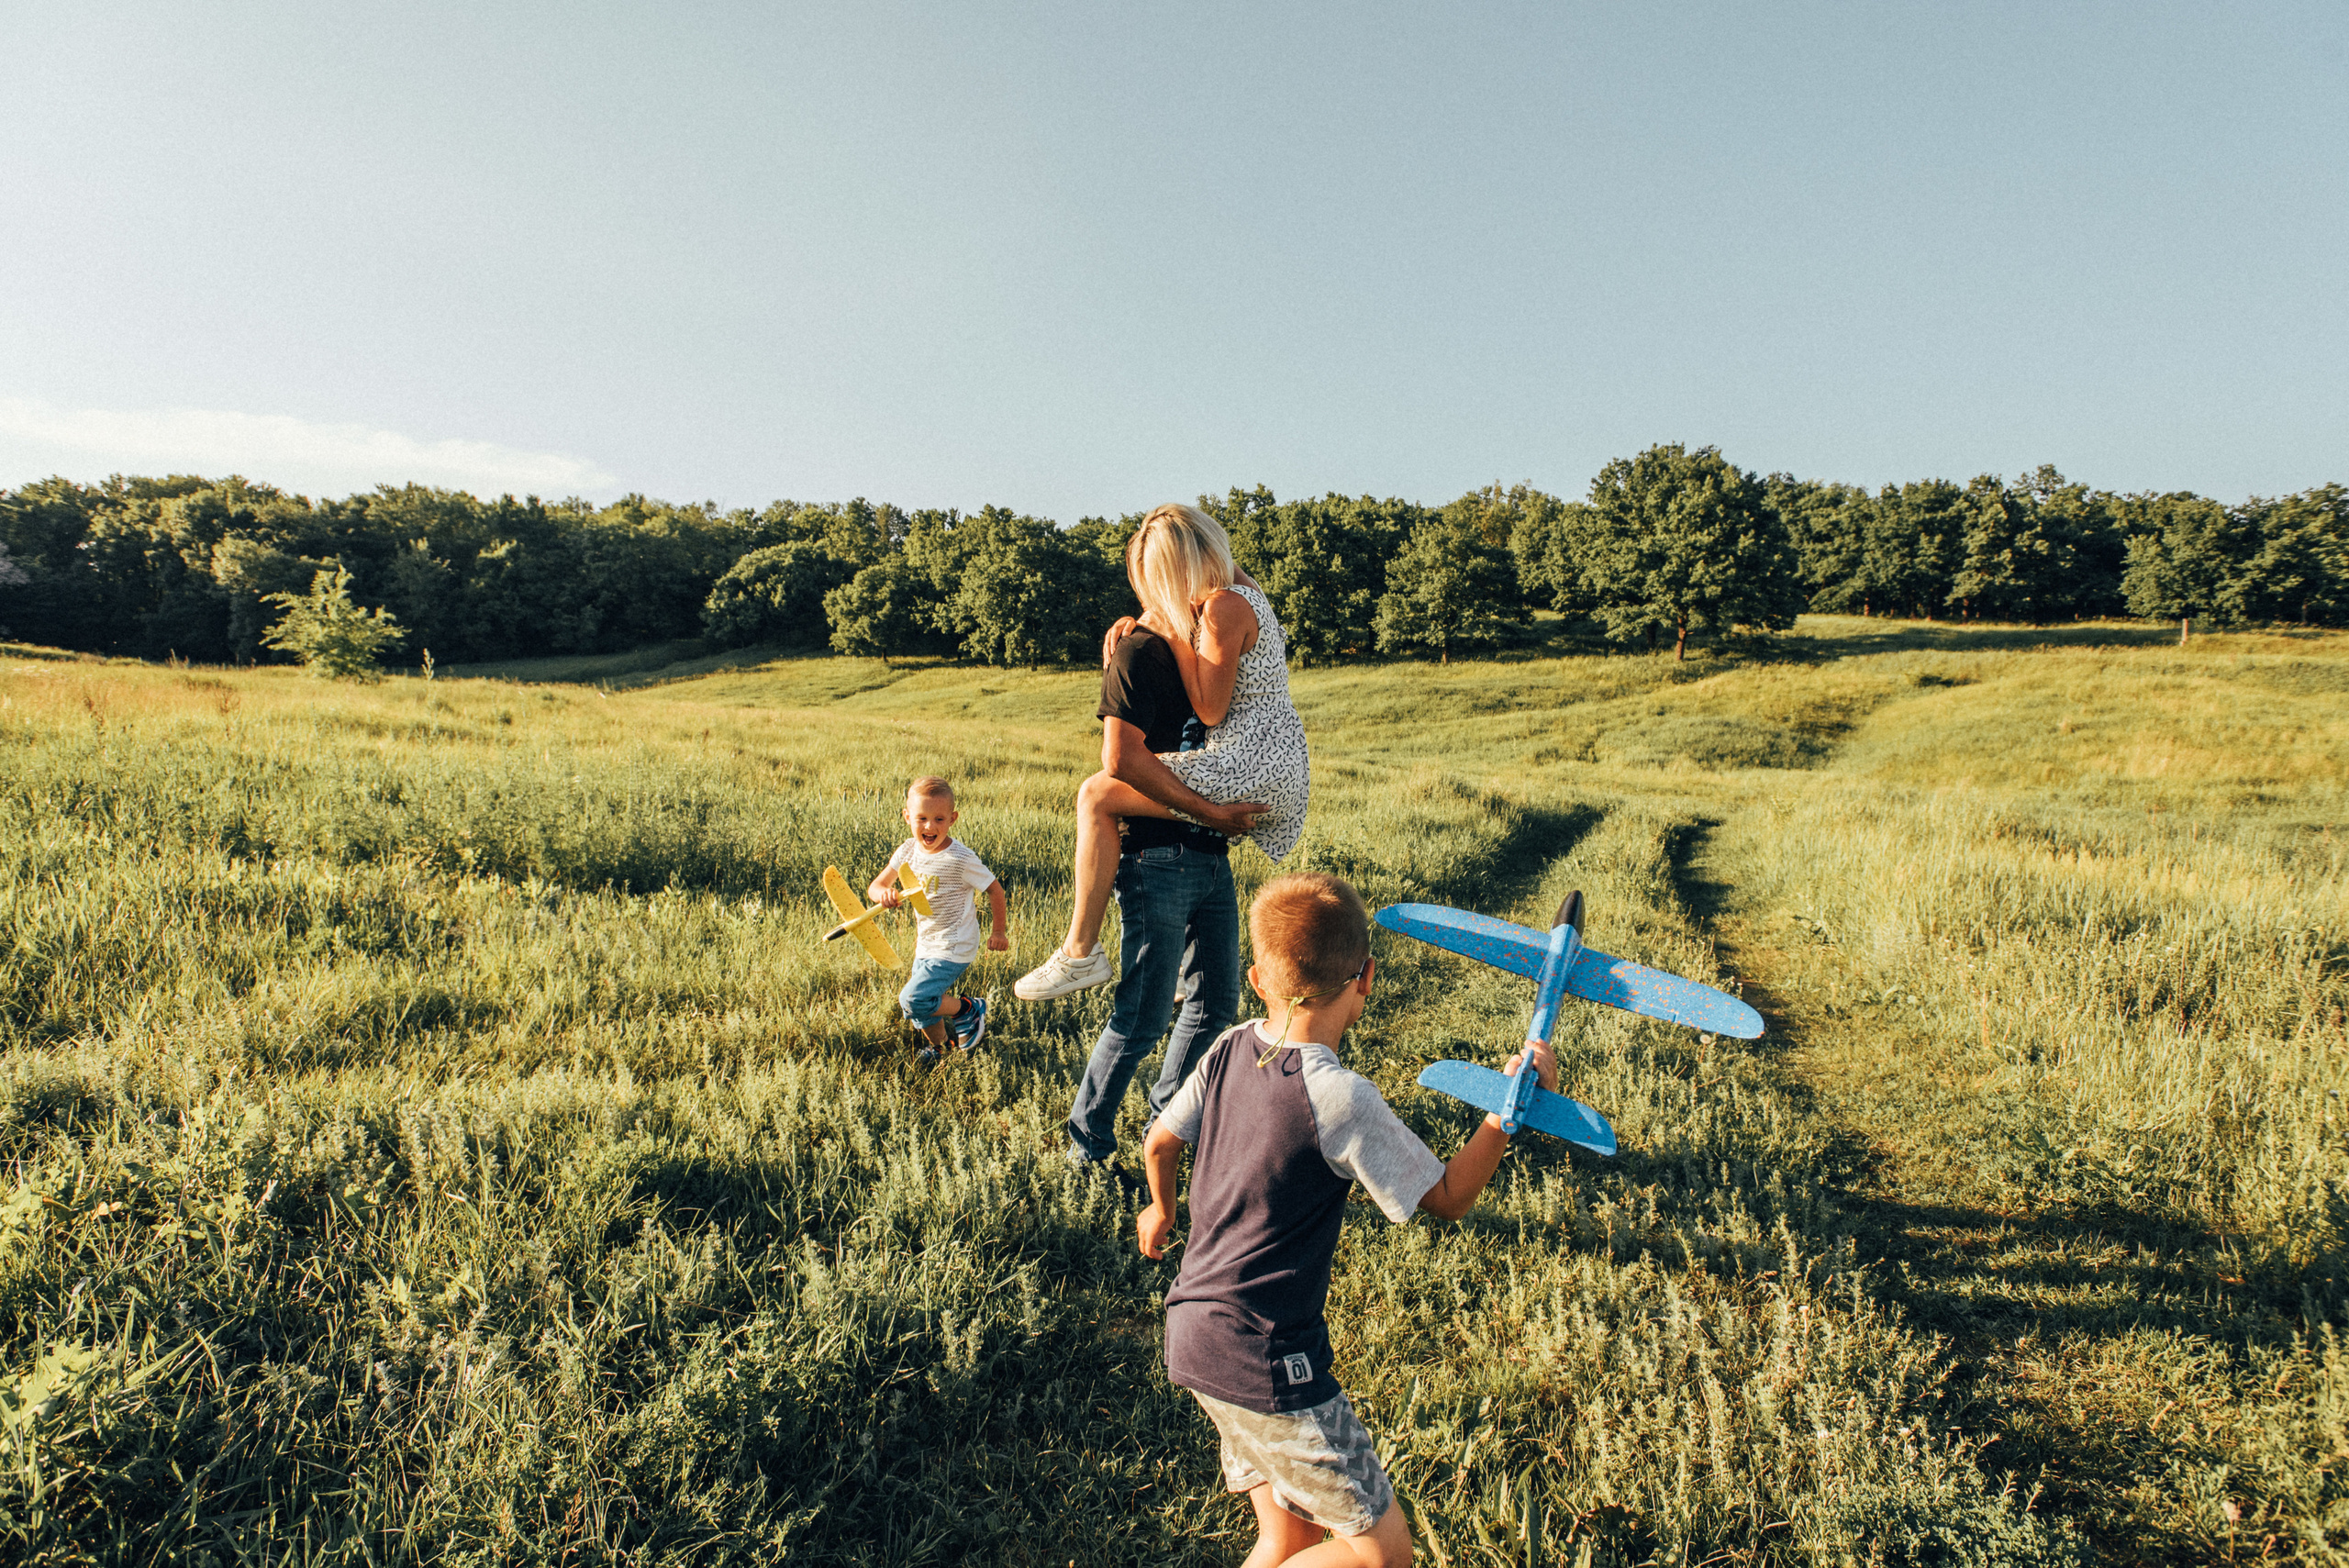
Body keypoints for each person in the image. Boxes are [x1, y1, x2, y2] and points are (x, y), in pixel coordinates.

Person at [1136, 873, 1556, 1568]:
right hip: (1268, 1361)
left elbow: (1160, 1141)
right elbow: (1449, 1195)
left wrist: (1161, 1205)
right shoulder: (1339, 1096)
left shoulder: (1230, 1045)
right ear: (1366, 978)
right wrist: (1503, 1113)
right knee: (1381, 1553)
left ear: (1257, 978)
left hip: (1194, 1337)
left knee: (1287, 1537)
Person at [1014, 503, 1311, 1005]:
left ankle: (1079, 952)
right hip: (1281, 761)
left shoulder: (1221, 606)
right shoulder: (1248, 589)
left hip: (1247, 761)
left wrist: (1171, 635)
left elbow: (1211, 710)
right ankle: (1163, 964)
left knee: (1095, 796)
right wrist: (1152, 619)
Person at [870, 775, 1009, 1065]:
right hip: (927, 943)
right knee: (921, 1010)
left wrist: (999, 931)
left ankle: (968, 1009)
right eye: (921, 818)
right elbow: (876, 886)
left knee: (912, 999)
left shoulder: (960, 858)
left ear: (952, 819)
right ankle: (942, 1049)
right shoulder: (907, 851)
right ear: (907, 816)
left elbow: (995, 889)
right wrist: (884, 895)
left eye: (939, 819)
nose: (930, 826)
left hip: (955, 944)